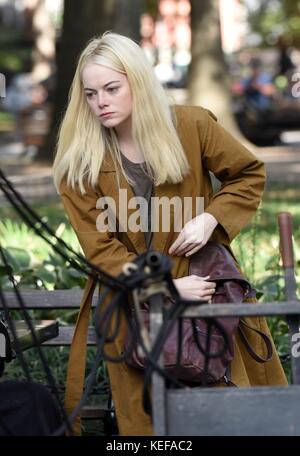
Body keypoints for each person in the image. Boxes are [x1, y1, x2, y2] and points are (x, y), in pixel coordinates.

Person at [52, 33, 287, 436]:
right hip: (133, 306)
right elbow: (100, 249)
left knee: (226, 416)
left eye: (111, 88)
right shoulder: (80, 161)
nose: (100, 102)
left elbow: (249, 174)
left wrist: (211, 218)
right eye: (90, 94)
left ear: (138, 83)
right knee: (149, 428)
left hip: (206, 296)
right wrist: (166, 287)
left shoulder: (191, 125)